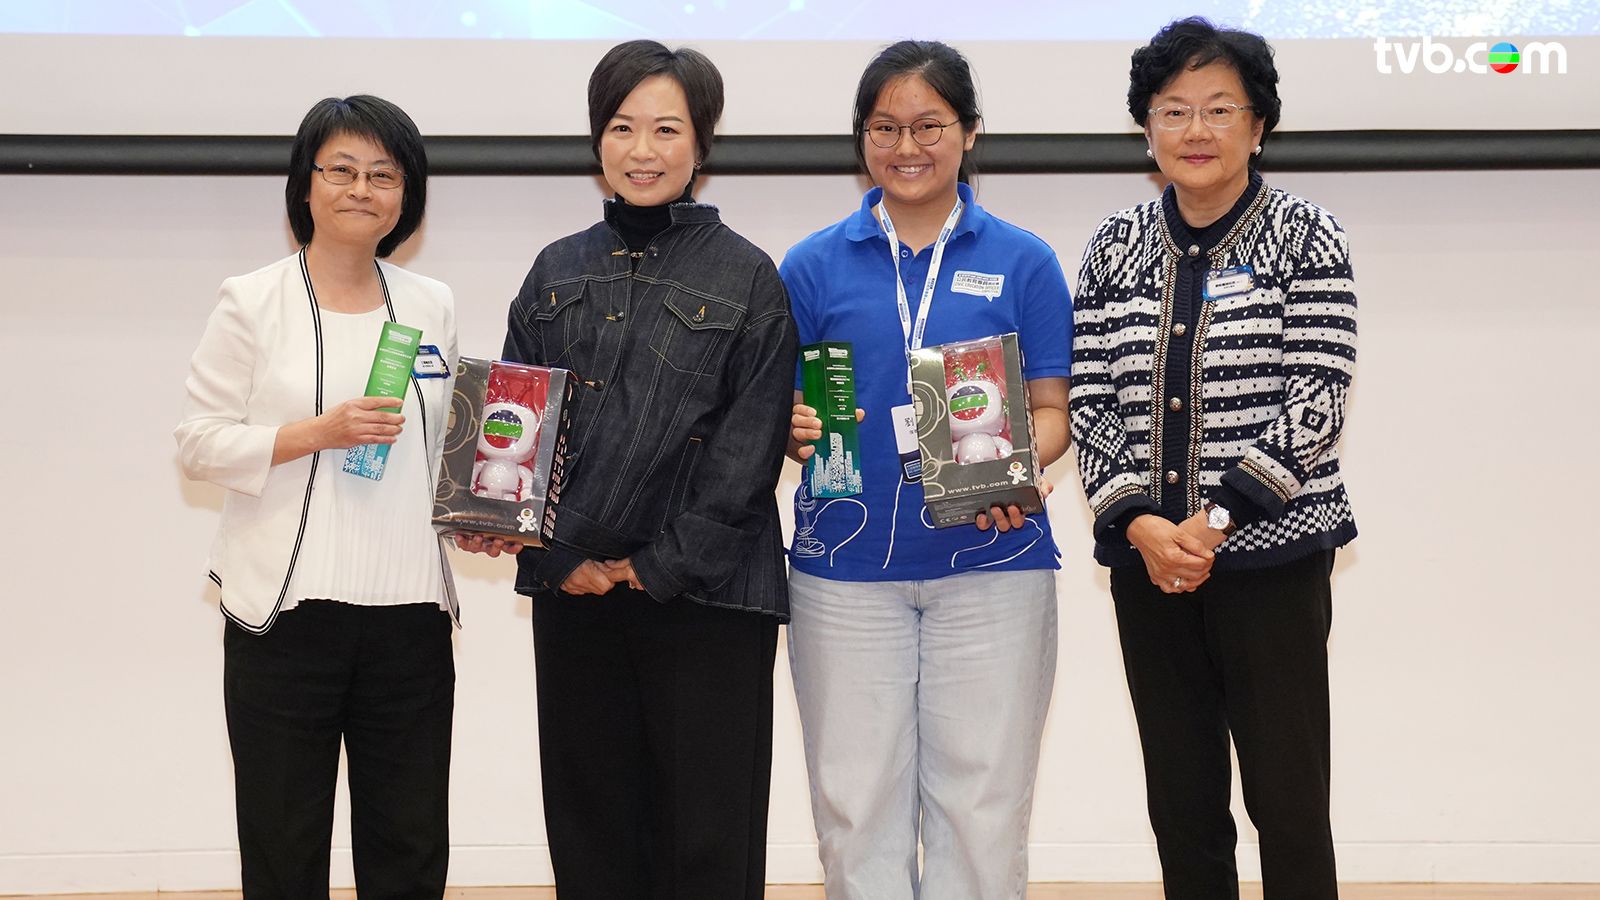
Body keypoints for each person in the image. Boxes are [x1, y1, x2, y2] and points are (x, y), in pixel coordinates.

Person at [492, 39, 796, 900]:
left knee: (707, 842)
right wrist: (557, 556)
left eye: (667, 129)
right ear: (598, 139)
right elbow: (516, 428)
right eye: (622, 127)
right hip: (577, 595)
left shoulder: (749, 277)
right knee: (590, 833)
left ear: (701, 143)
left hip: (708, 599)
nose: (642, 150)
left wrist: (654, 565)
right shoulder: (555, 270)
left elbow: (748, 452)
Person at [1068, 17, 1358, 899]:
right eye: (1174, 109)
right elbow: (1089, 400)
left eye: (1220, 108)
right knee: (1182, 803)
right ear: (1146, 127)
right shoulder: (1114, 245)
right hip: (1149, 564)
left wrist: (1215, 520)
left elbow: (1317, 399)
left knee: (1288, 799)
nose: (1196, 130)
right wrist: (1141, 524)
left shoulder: (1307, 234)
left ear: (1258, 125)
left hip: (1271, 561)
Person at [781, 40, 1072, 900]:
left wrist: (1019, 466)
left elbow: (1053, 414)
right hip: (844, 572)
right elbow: (779, 413)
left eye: (929, 126)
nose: (906, 147)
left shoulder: (1024, 260)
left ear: (970, 132)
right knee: (855, 807)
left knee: (983, 808)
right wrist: (791, 428)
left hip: (994, 560)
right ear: (862, 139)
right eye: (884, 128)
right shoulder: (810, 265)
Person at [174, 95, 457, 898]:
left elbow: (446, 441)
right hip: (286, 615)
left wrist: (486, 510)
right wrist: (315, 432)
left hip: (409, 614)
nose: (361, 189)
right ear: (306, 183)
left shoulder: (431, 302)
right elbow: (198, 442)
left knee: (409, 847)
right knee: (283, 844)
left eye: (384, 175)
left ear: (406, 195)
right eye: (342, 170)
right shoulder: (252, 299)